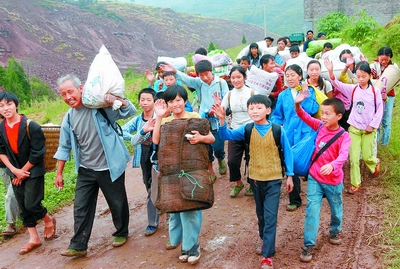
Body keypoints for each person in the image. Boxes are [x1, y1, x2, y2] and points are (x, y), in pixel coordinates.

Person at [54, 74, 136, 257]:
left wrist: (117, 100)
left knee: (117, 202)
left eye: (70, 92)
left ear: (80, 89)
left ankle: (121, 232)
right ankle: (78, 244)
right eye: (63, 94)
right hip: (86, 169)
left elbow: (129, 110)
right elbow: (64, 146)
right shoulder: (68, 118)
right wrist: (58, 174)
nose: (68, 97)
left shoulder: (98, 107)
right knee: (81, 206)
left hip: (109, 165)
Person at [212, 94, 294, 269]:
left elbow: (288, 153)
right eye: (251, 108)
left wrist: (290, 176)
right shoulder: (246, 129)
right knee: (261, 215)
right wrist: (221, 119)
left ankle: (267, 256)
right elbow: (227, 135)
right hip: (255, 180)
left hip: (273, 180)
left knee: (271, 216)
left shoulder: (278, 130)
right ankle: (265, 241)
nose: (254, 111)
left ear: (268, 110)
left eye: (258, 107)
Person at [152, 85, 215, 265]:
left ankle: (193, 246)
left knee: (191, 208)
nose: (175, 104)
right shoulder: (165, 121)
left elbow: (211, 138)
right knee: (178, 209)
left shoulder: (194, 118)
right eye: (171, 101)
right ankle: (186, 246)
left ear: (185, 101)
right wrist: (158, 116)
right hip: (172, 173)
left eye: (179, 100)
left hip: (192, 171)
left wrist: (201, 139)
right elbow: (156, 141)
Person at [294, 96, 351, 262]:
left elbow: (343, 155)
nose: (323, 117)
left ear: (339, 116)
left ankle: (335, 230)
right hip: (315, 178)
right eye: (322, 113)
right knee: (311, 210)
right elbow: (303, 116)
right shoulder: (319, 126)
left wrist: (333, 165)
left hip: (333, 180)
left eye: (327, 113)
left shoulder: (343, 136)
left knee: (336, 209)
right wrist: (297, 104)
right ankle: (308, 245)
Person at [0, 92, 56, 254]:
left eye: (8, 104)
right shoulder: (0, 128)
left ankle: (48, 219)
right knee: (23, 206)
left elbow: (38, 153)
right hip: (15, 170)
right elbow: (1, 151)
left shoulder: (31, 126)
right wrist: (14, 171)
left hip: (33, 170)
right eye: (1, 106)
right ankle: (34, 238)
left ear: (16, 105)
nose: (5, 108)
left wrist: (21, 171)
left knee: (32, 203)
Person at [160, 60, 229, 178]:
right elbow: (187, 79)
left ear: (211, 71)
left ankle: (221, 158)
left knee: (217, 143)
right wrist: (175, 71)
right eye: (201, 75)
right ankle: (210, 170)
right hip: (202, 118)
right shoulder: (199, 83)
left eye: (206, 74)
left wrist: (219, 108)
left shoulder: (221, 83)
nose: (204, 78)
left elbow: (227, 98)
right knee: (203, 145)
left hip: (217, 119)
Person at [324, 59, 383, 194]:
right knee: (354, 158)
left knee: (367, 157)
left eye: (364, 76)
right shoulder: (353, 89)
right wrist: (330, 70)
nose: (360, 79)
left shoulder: (375, 92)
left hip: (368, 129)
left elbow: (379, 110)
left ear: (370, 76)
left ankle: (375, 162)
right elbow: (336, 84)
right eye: (358, 76)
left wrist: (372, 125)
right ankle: (355, 183)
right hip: (354, 128)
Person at [271, 64, 320, 211]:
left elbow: (313, 109)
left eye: (293, 75)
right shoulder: (282, 95)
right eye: (287, 75)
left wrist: (305, 93)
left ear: (300, 76)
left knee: (310, 164)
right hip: (289, 135)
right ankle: (295, 199)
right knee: (290, 165)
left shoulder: (309, 91)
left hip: (306, 134)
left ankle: (315, 194)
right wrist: (276, 128)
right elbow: (277, 116)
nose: (290, 78)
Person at [122, 88, 159, 236]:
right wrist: (136, 137)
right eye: (142, 100)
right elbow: (120, 129)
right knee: (148, 183)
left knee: (155, 186)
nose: (145, 103)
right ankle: (158, 209)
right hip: (144, 155)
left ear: (155, 102)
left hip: (157, 154)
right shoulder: (138, 120)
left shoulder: (159, 118)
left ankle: (153, 222)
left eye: (148, 100)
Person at [219, 66, 255, 197]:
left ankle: (252, 184)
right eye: (233, 77)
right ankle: (238, 183)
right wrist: (219, 110)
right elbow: (222, 109)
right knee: (232, 161)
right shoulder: (229, 95)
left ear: (244, 77)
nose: (236, 80)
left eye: (238, 77)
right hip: (234, 130)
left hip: (251, 130)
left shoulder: (252, 93)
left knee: (252, 159)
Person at [370, 46, 398, 146]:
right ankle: (375, 141)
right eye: (382, 59)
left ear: (390, 58)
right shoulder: (373, 66)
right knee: (376, 118)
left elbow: (397, 82)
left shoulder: (393, 67)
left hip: (389, 95)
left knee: (386, 119)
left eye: (386, 60)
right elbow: (369, 80)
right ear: (378, 57)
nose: (384, 62)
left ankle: (385, 143)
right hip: (376, 95)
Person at [1, 161, 19, 237]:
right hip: (2, 166)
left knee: (10, 195)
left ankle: (11, 224)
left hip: (16, 164)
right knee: (12, 191)